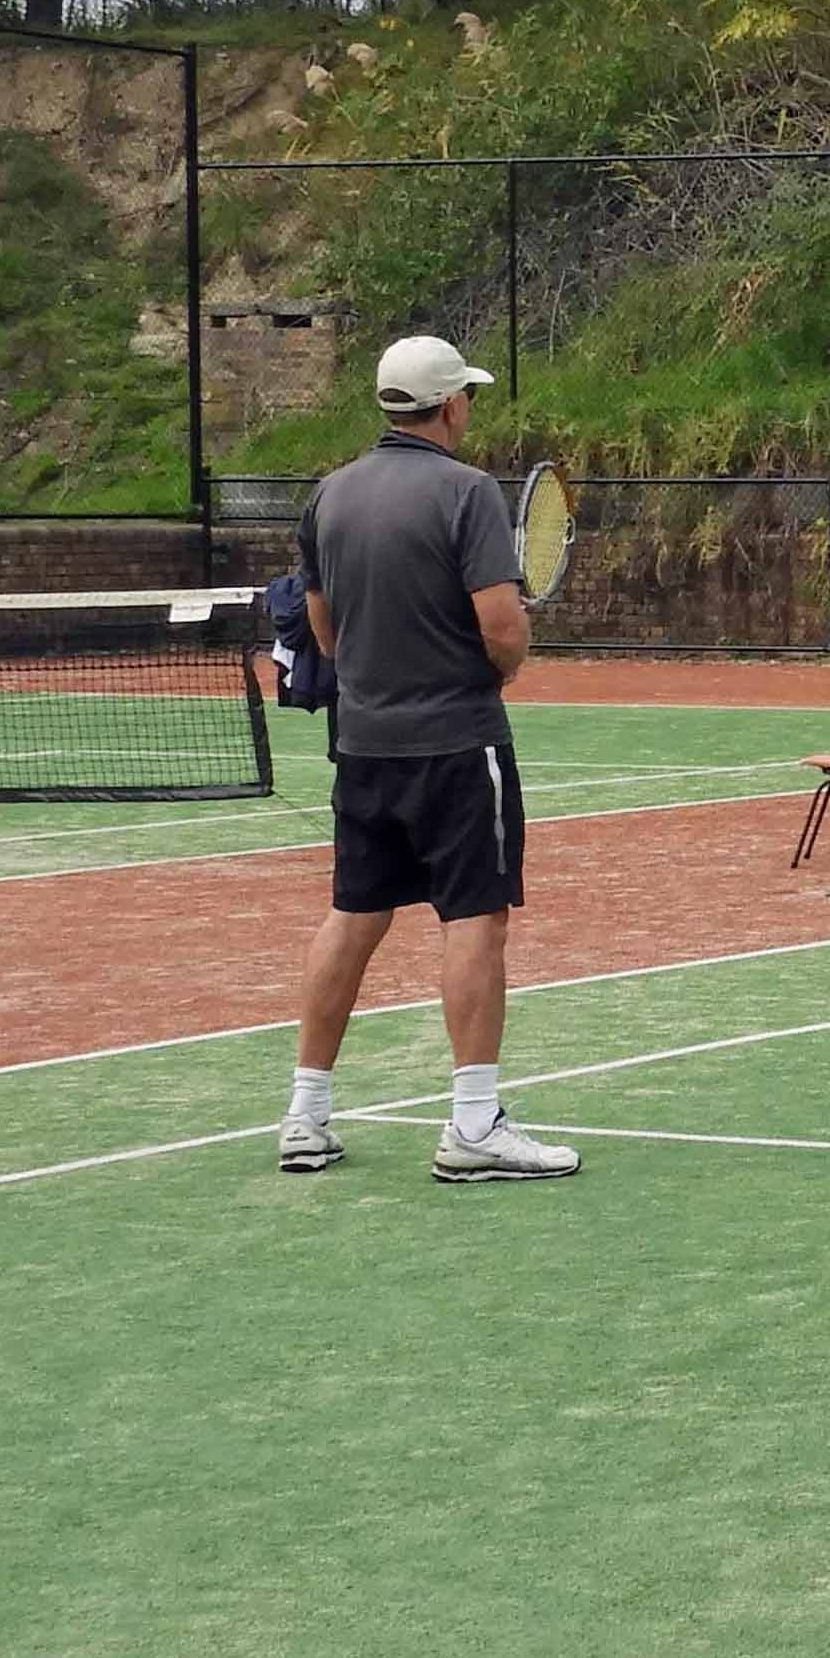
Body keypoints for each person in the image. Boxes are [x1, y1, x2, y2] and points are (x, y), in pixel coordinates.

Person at [276, 333, 583, 1182]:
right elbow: (502, 627)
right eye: (468, 397)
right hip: (456, 747)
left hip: (364, 746)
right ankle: (475, 1125)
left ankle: (304, 1116)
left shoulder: (329, 497)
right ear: (450, 406)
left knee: (352, 916)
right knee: (476, 920)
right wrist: (499, 666)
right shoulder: (468, 492)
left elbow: (324, 628)